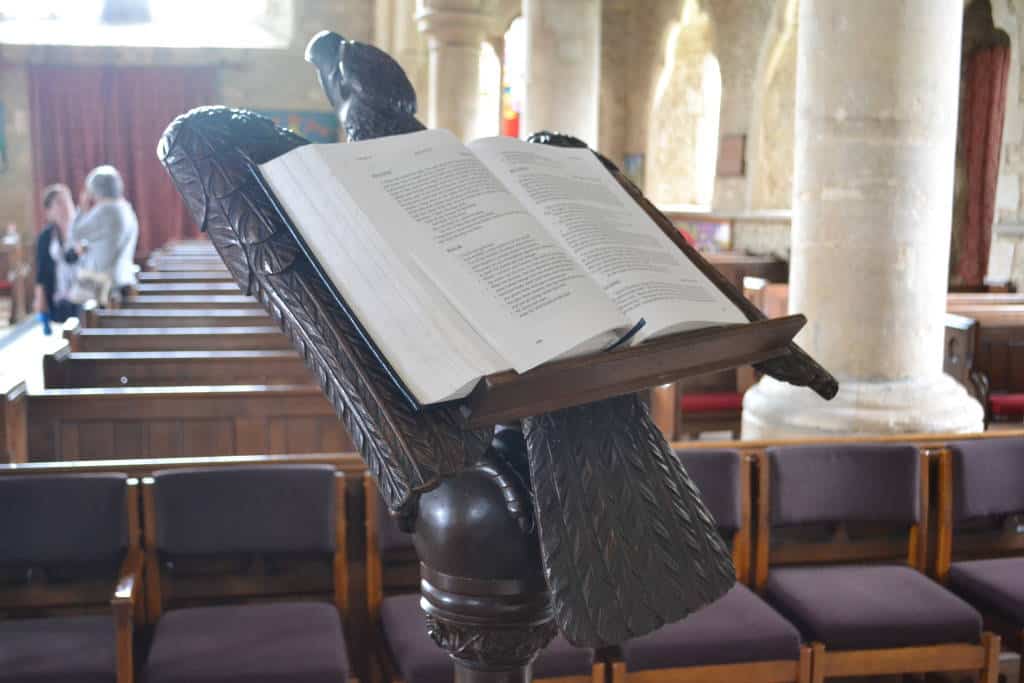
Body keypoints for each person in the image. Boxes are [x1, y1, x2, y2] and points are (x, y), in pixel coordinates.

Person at [71, 165, 139, 299]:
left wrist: (82, 208)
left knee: (72, 305)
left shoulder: (105, 209)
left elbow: (75, 232)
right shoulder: (126, 208)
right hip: (123, 277)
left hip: (101, 283)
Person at [34, 184, 82, 323]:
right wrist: (40, 300)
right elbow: (41, 271)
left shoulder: (83, 229)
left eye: (67, 200)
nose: (66, 206)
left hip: (86, 292)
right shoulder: (46, 236)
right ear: (49, 211)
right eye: (59, 203)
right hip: (60, 296)